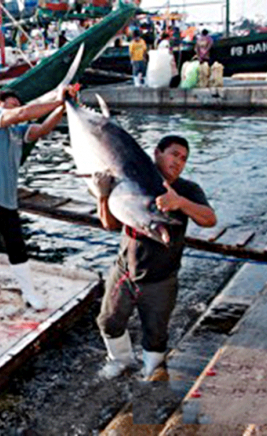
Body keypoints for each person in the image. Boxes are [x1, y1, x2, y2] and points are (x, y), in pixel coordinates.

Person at [94, 135, 217, 381]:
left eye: (183, 159)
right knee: (108, 321)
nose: (178, 162)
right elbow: (109, 224)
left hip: (162, 278)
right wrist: (102, 196)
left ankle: (151, 371)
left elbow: (209, 219)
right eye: (174, 154)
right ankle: (120, 360)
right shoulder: (131, 179)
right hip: (125, 272)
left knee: (156, 332)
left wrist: (179, 202)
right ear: (157, 153)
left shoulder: (188, 189)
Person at [0, 85, 77, 310]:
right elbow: (23, 114)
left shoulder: (18, 131)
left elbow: (41, 129)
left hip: (7, 199)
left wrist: (63, 106)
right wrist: (57, 100)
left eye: (18, 106)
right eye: (12, 105)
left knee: (17, 247)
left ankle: (29, 292)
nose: (17, 109)